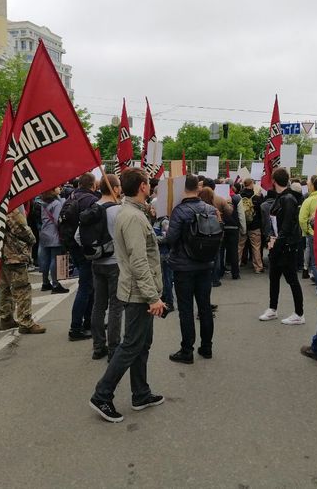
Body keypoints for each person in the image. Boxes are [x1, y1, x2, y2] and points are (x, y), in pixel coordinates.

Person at [89, 168, 165, 423]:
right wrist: (152, 297)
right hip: (138, 293)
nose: (150, 186)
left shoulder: (135, 212)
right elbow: (138, 260)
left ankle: (140, 393)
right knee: (131, 345)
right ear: (143, 186)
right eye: (148, 183)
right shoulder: (132, 216)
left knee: (142, 344)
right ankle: (102, 394)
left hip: (139, 290)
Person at [164, 174, 219, 364]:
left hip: (183, 266)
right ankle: (207, 347)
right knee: (204, 307)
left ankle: (187, 350)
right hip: (205, 264)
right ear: (198, 187)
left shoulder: (179, 211)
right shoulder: (210, 209)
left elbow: (171, 239)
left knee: (186, 310)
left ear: (182, 188)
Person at [258, 168, 305, 325]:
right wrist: (272, 242)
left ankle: (299, 313)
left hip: (286, 246)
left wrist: (275, 244)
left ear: (274, 181)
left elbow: (286, 227)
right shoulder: (282, 197)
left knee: (292, 279)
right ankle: (272, 308)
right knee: (274, 278)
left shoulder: (288, 199)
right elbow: (276, 225)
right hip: (278, 244)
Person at [86, 174, 124, 361]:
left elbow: (79, 236)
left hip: (96, 262)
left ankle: (98, 346)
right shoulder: (119, 210)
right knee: (116, 307)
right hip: (116, 263)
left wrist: (95, 250)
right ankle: (114, 348)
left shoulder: (92, 208)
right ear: (115, 189)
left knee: (98, 306)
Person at [0, 207, 46, 334]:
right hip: (14, 253)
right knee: (22, 288)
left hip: (1, 253)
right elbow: (21, 228)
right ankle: (25, 322)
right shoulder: (10, 208)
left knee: (5, 286)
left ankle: (6, 318)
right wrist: (32, 238)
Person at [66, 173, 99, 341]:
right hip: (86, 248)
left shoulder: (71, 197)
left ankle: (89, 322)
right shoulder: (90, 201)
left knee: (89, 286)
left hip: (73, 247)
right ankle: (76, 327)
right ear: (93, 185)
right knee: (85, 287)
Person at [299, 177, 317, 292]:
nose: (308, 187)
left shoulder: (308, 200)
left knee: (315, 263)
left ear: (314, 186)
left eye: (309, 185)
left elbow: (302, 219)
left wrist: (307, 231)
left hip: (313, 234)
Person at [238, 178, 264, 274]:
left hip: (242, 225)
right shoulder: (256, 197)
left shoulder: (239, 196)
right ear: (252, 184)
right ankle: (258, 267)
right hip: (254, 225)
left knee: (239, 246)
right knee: (256, 246)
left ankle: (236, 266)